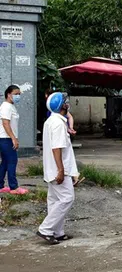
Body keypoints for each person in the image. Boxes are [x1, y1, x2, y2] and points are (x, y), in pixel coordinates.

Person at [37, 92, 80, 245]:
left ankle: (57, 232)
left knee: (55, 201)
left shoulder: (51, 121)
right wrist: (61, 171)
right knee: (67, 198)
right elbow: (57, 148)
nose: (68, 103)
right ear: (62, 106)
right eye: (66, 102)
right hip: (59, 170)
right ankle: (46, 229)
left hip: (51, 169)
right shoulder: (58, 124)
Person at [0, 85, 28, 195]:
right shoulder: (6, 106)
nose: (18, 96)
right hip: (5, 138)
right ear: (8, 94)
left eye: (19, 94)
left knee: (5, 162)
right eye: (16, 94)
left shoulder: (11, 106)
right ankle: (14, 187)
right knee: (12, 161)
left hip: (6, 138)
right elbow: (5, 123)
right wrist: (13, 138)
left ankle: (1, 186)